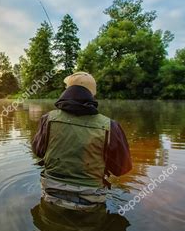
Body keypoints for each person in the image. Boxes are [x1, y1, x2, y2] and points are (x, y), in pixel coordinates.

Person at [32, 72, 132, 211]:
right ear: (92, 95)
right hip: (91, 203)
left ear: (67, 91)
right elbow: (122, 169)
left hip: (51, 197)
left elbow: (38, 151)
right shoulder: (110, 126)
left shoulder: (47, 119)